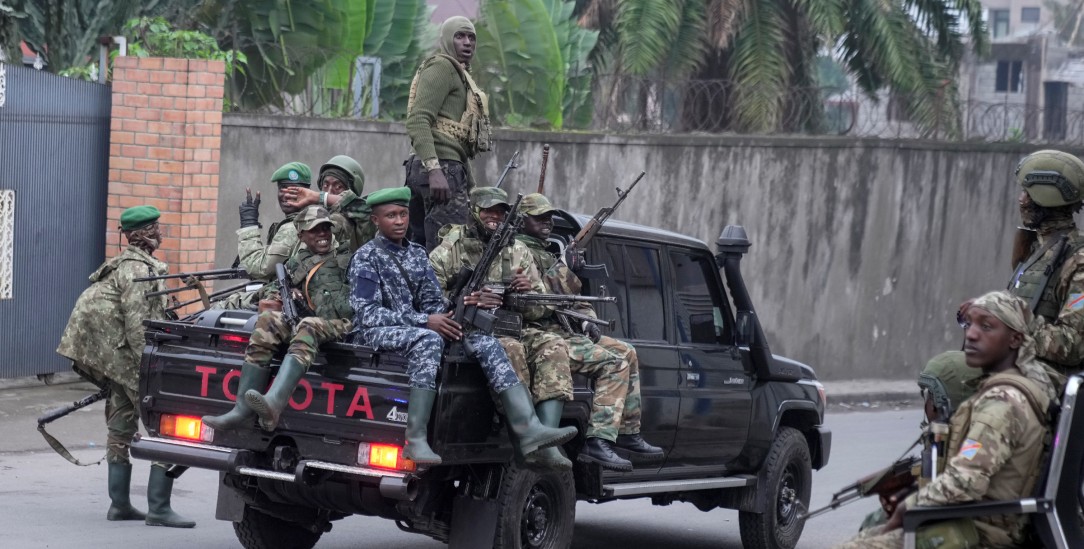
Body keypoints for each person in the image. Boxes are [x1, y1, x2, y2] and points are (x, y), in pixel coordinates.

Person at [350, 187, 576, 465]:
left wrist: (454, 314)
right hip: (375, 332)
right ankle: (415, 438)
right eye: (391, 216)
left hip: (415, 328)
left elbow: (433, 301)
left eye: (403, 214)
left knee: (483, 339)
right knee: (430, 340)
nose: (399, 221)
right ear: (375, 220)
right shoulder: (366, 256)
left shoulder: (417, 255)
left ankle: (527, 427)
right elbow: (366, 314)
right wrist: (426, 321)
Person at [834, 291, 1058, 549]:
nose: (971, 334)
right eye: (970, 324)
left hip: (980, 533)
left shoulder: (1002, 403)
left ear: (1015, 339)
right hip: (967, 521)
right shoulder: (1008, 390)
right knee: (865, 536)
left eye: (987, 327)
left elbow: (965, 481)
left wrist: (910, 506)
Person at [56, 205, 195, 528]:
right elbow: (137, 325)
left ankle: (120, 505)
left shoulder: (131, 265)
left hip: (116, 359)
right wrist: (150, 366)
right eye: (155, 228)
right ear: (141, 235)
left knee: (121, 426)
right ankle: (159, 508)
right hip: (131, 358)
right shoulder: (136, 270)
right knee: (165, 425)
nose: (160, 233)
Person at [428, 187, 576, 469]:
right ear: (475, 212)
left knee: (553, 346)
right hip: (469, 329)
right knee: (511, 349)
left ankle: (547, 444)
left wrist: (526, 291)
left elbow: (543, 307)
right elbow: (427, 298)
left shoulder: (517, 250)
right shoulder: (451, 248)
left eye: (500, 212)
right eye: (488, 211)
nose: (494, 217)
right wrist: (465, 299)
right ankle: (524, 439)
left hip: (512, 324)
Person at [515, 193, 664, 471]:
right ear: (522, 221)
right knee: (614, 363)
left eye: (549, 217)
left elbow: (574, 300)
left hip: (563, 330)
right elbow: (535, 299)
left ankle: (628, 433)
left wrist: (587, 322)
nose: (546, 223)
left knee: (627, 352)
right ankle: (598, 441)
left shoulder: (548, 252)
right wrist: (567, 269)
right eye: (539, 218)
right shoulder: (516, 252)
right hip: (537, 333)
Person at [203, 205, 353, 432]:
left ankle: (274, 402)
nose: (322, 234)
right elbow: (271, 288)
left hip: (340, 323)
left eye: (326, 229)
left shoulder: (345, 256)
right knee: (268, 321)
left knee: (308, 326)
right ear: (301, 234)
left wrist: (323, 198)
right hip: (309, 320)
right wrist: (280, 295)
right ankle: (242, 410)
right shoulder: (298, 262)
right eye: (315, 230)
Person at [404, 15, 493, 251]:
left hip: (445, 167)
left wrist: (467, 181)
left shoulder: (459, 74)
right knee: (448, 250)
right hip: (438, 168)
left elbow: (456, 142)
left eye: (471, 38)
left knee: (421, 249)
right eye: (459, 36)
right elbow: (418, 119)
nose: (467, 43)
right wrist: (434, 169)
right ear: (446, 39)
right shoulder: (442, 66)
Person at [1001, 150, 1084, 373]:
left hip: (1050, 380)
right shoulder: (1036, 249)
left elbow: (1073, 345)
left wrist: (1008, 324)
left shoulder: (1078, 263)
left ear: (1047, 197)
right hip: (1019, 368)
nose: (1021, 200)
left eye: (1028, 193)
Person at [280, 155, 376, 253]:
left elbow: (367, 210)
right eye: (325, 185)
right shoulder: (314, 216)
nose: (329, 191)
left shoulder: (355, 220)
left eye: (338, 187)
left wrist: (321, 197)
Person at [236, 161, 313, 281]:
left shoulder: (293, 227)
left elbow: (259, 268)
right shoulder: (309, 219)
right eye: (282, 188)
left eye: (293, 190)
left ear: (308, 193)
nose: (286, 195)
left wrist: (249, 226)